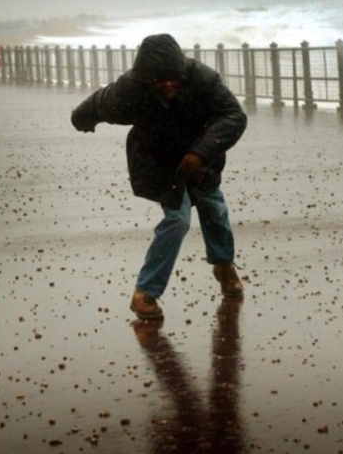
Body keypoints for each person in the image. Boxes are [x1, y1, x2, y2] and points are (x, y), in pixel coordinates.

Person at [71, 33, 247, 320]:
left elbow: (234, 116)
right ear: (146, 78)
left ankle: (224, 265)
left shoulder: (204, 80)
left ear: (183, 74)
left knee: (214, 208)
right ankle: (145, 294)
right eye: (158, 79)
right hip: (158, 162)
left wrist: (201, 153)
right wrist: (82, 118)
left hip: (202, 157)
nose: (166, 84)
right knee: (177, 220)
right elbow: (102, 101)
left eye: (172, 78)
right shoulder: (131, 88)